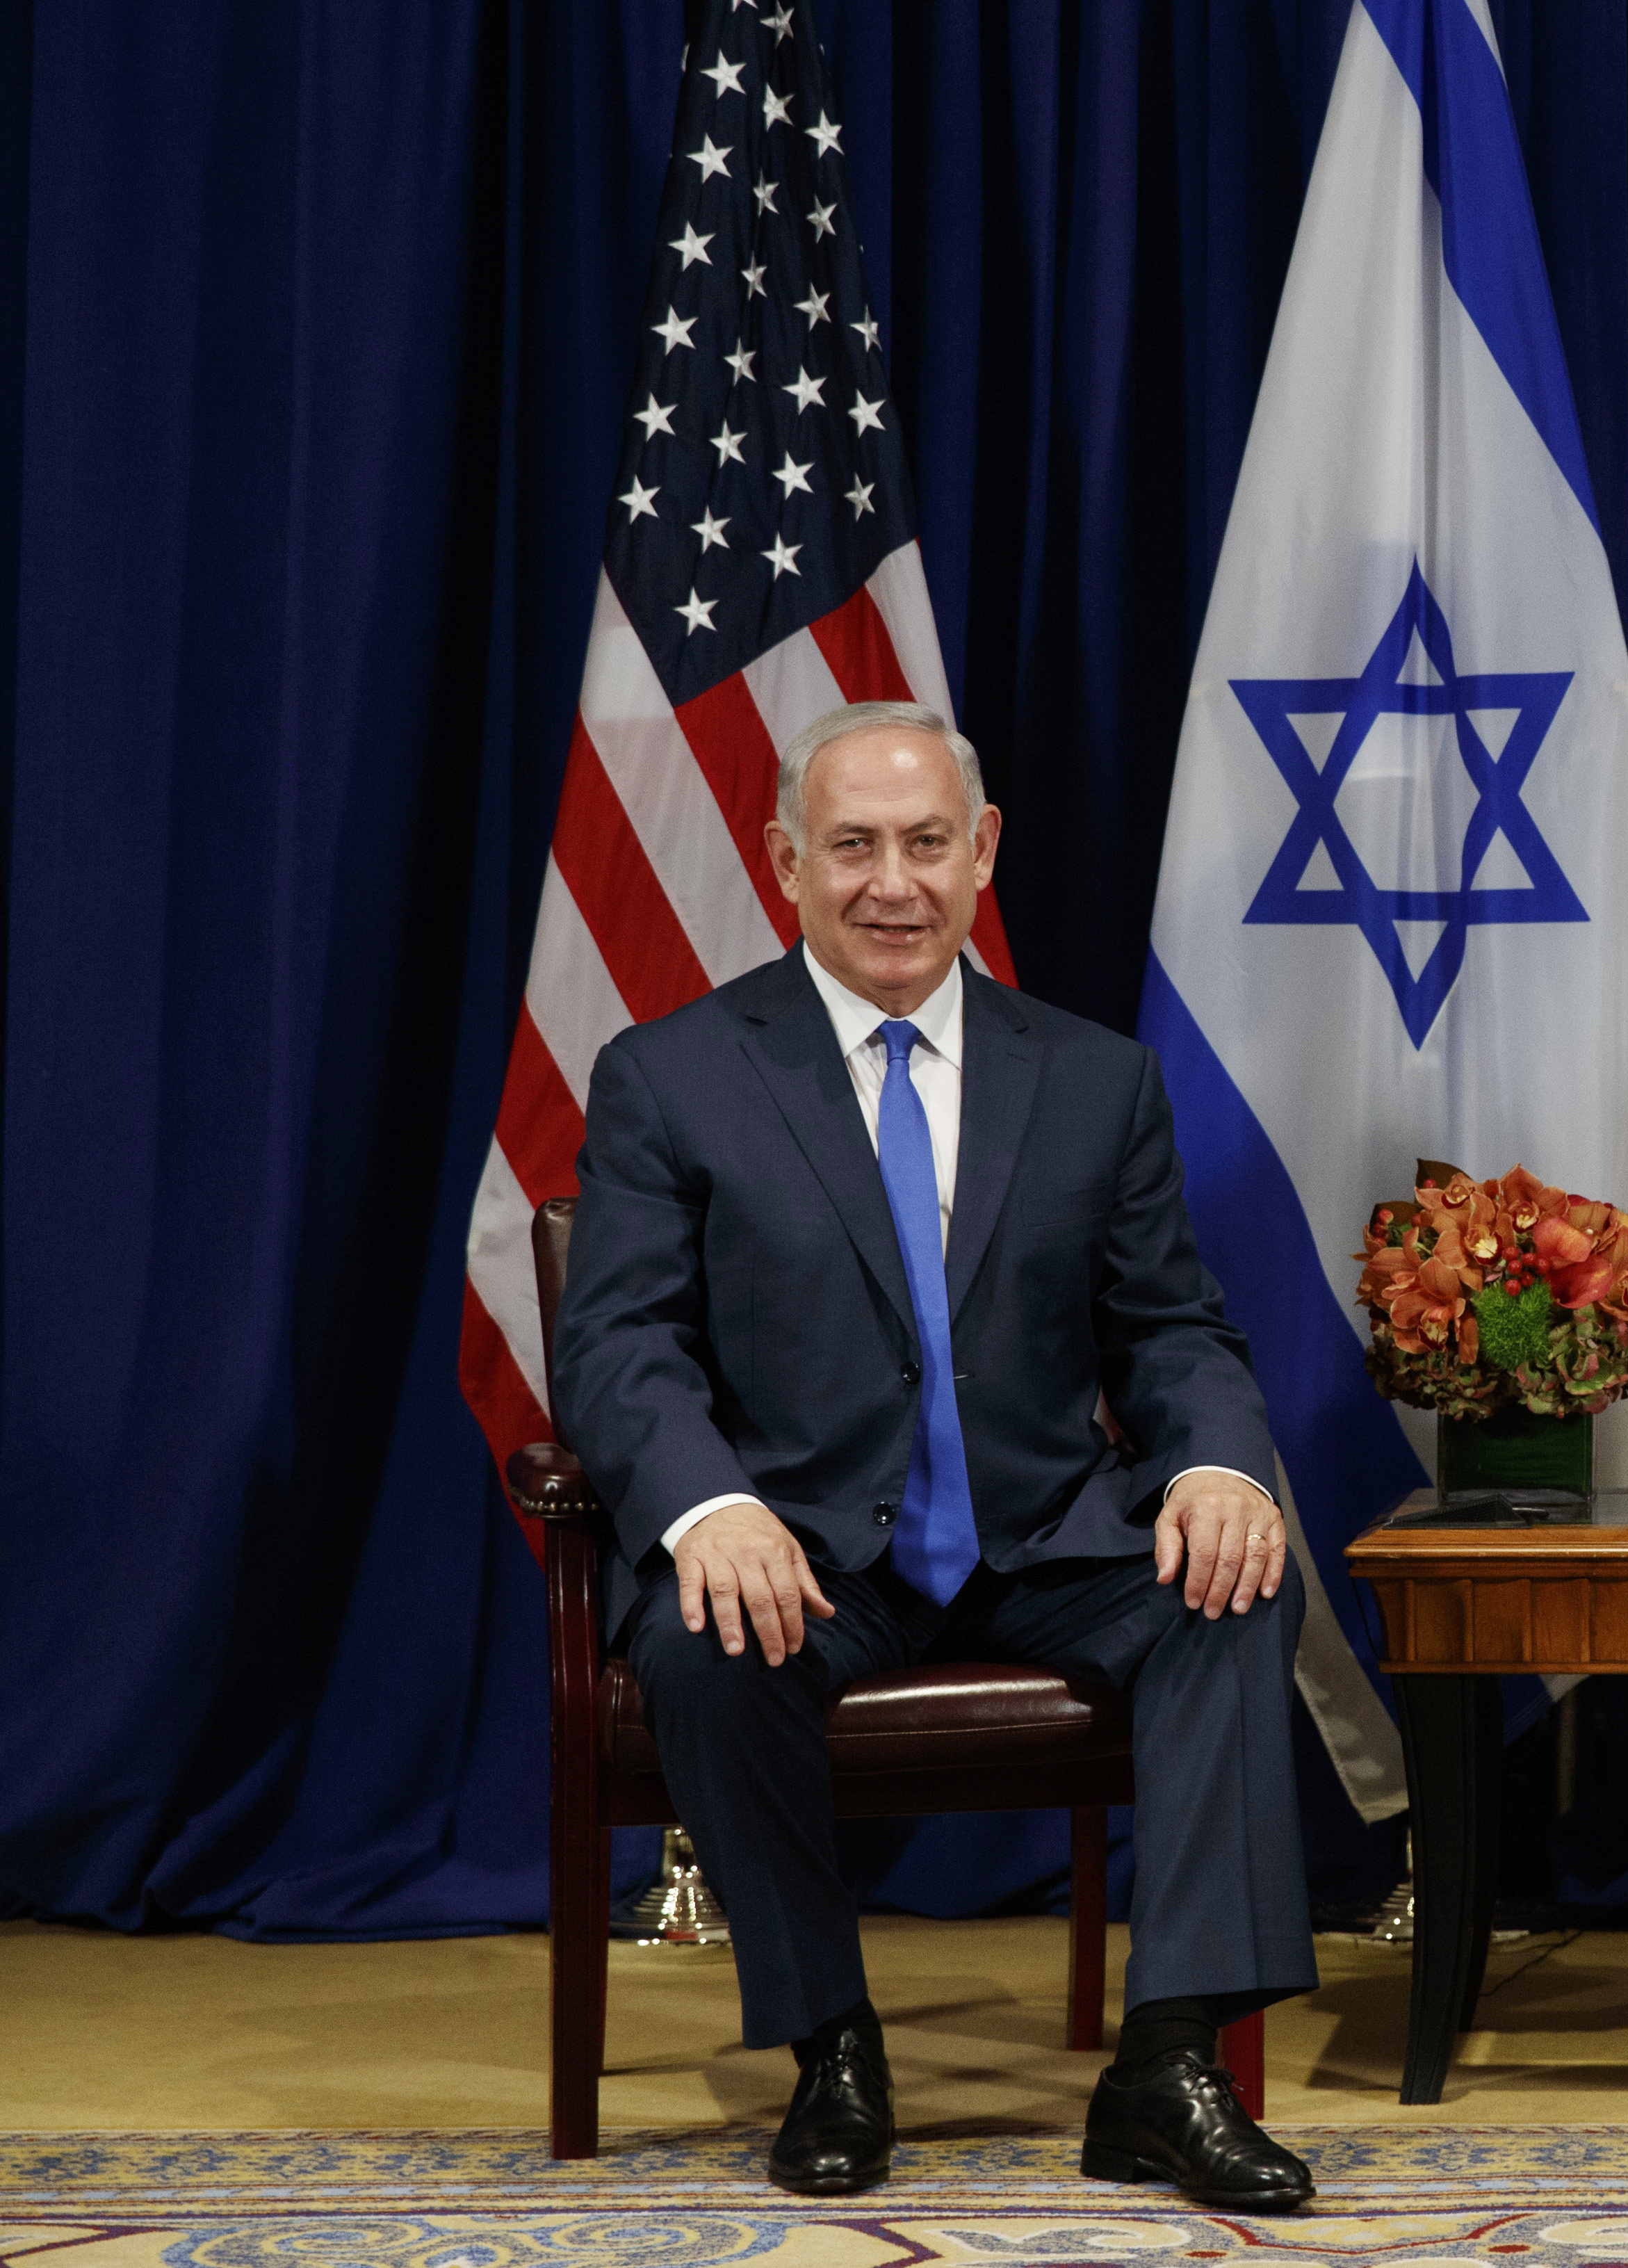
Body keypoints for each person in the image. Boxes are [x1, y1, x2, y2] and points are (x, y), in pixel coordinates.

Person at [551, 700, 1317, 2208]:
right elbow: (616, 1344)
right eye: (850, 845)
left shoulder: (1095, 1079)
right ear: (785, 862)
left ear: (982, 853)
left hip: (1041, 1537)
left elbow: (1168, 1329)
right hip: (807, 1548)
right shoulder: (674, 1073)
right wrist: (708, 1504)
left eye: (922, 842)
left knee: (1236, 1587)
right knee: (706, 1642)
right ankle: (831, 2045)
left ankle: (1166, 2063)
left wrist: (1218, 1465)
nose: (889, 881)